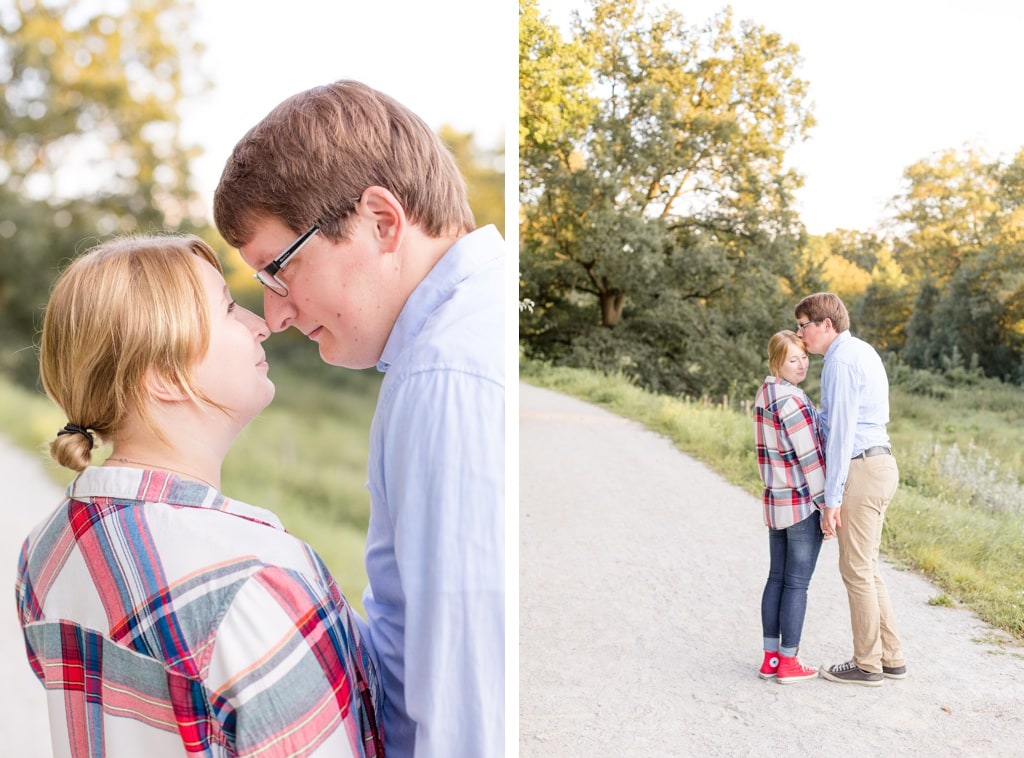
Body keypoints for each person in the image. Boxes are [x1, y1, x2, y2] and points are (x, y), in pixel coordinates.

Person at [213, 80, 504, 756]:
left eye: (278, 269)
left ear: (380, 221)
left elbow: (466, 708)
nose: (276, 314)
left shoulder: (446, 377)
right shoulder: (442, 349)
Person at [16, 235, 383, 757]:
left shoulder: (47, 550)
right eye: (228, 309)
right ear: (163, 376)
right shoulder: (256, 581)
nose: (260, 324)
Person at [794, 292, 906, 686]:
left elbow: (840, 435)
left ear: (826, 324)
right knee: (868, 568)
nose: (800, 334)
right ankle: (890, 657)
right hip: (880, 463)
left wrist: (832, 499)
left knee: (856, 570)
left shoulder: (839, 361)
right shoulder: (861, 350)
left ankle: (866, 664)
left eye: (803, 325)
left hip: (860, 466)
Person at [753, 331, 827, 684]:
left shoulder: (764, 394)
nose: (802, 365)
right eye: (792, 359)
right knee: (796, 584)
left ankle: (770, 659)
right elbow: (810, 459)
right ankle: (788, 662)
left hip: (775, 500)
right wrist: (827, 505)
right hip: (800, 504)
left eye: (804, 357)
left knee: (776, 578)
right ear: (776, 362)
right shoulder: (792, 401)